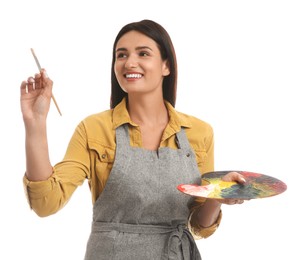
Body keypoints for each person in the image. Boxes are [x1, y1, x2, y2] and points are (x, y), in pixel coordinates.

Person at [20, 19, 246, 260]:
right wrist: (35, 124)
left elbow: (198, 225)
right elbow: (46, 203)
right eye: (121, 55)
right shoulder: (94, 130)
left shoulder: (199, 133)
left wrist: (217, 197)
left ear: (166, 66)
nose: (129, 62)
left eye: (143, 53)